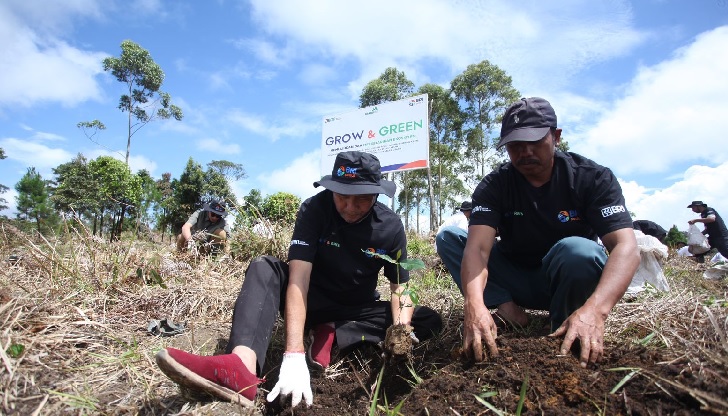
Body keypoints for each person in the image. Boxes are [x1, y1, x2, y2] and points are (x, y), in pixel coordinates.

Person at [156, 151, 442, 407]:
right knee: (263, 267)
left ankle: (334, 332)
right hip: (309, 299)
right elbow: (298, 279)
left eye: (362, 200)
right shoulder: (314, 210)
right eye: (342, 196)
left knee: (428, 319)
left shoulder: (390, 226)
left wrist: (400, 333)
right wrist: (293, 352)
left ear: (378, 195)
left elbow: (400, 286)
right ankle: (241, 366)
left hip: (355, 309)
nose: (350, 207)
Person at [459, 97, 640, 369]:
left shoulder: (591, 178)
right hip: (515, 277)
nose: (525, 152)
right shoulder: (496, 185)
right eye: (515, 146)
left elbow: (626, 247)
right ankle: (507, 309)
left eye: (534, 142)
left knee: (579, 251)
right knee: (452, 239)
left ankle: (566, 325)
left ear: (556, 137)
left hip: (564, 279)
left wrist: (596, 310)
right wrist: (474, 304)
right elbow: (479, 249)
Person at [435, 201, 472, 287]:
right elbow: (462, 238)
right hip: (444, 245)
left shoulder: (456, 217)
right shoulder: (462, 219)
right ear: (469, 211)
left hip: (440, 245)